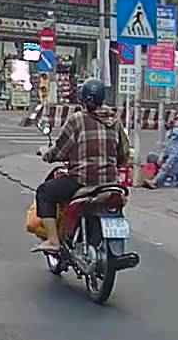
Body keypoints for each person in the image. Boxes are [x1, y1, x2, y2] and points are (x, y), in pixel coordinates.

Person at [32, 78, 131, 253]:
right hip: (109, 183)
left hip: (82, 181)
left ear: (82, 98)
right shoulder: (115, 121)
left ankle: (53, 241)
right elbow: (124, 154)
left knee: (44, 192)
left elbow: (59, 152)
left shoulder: (77, 120)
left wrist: (46, 153)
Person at [143, 120, 178, 188]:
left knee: (167, 165)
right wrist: (161, 157)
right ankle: (152, 176)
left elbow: (174, 157)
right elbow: (166, 149)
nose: (176, 129)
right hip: (171, 160)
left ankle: (155, 181)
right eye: (175, 127)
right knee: (152, 157)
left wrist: (165, 163)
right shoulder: (173, 138)